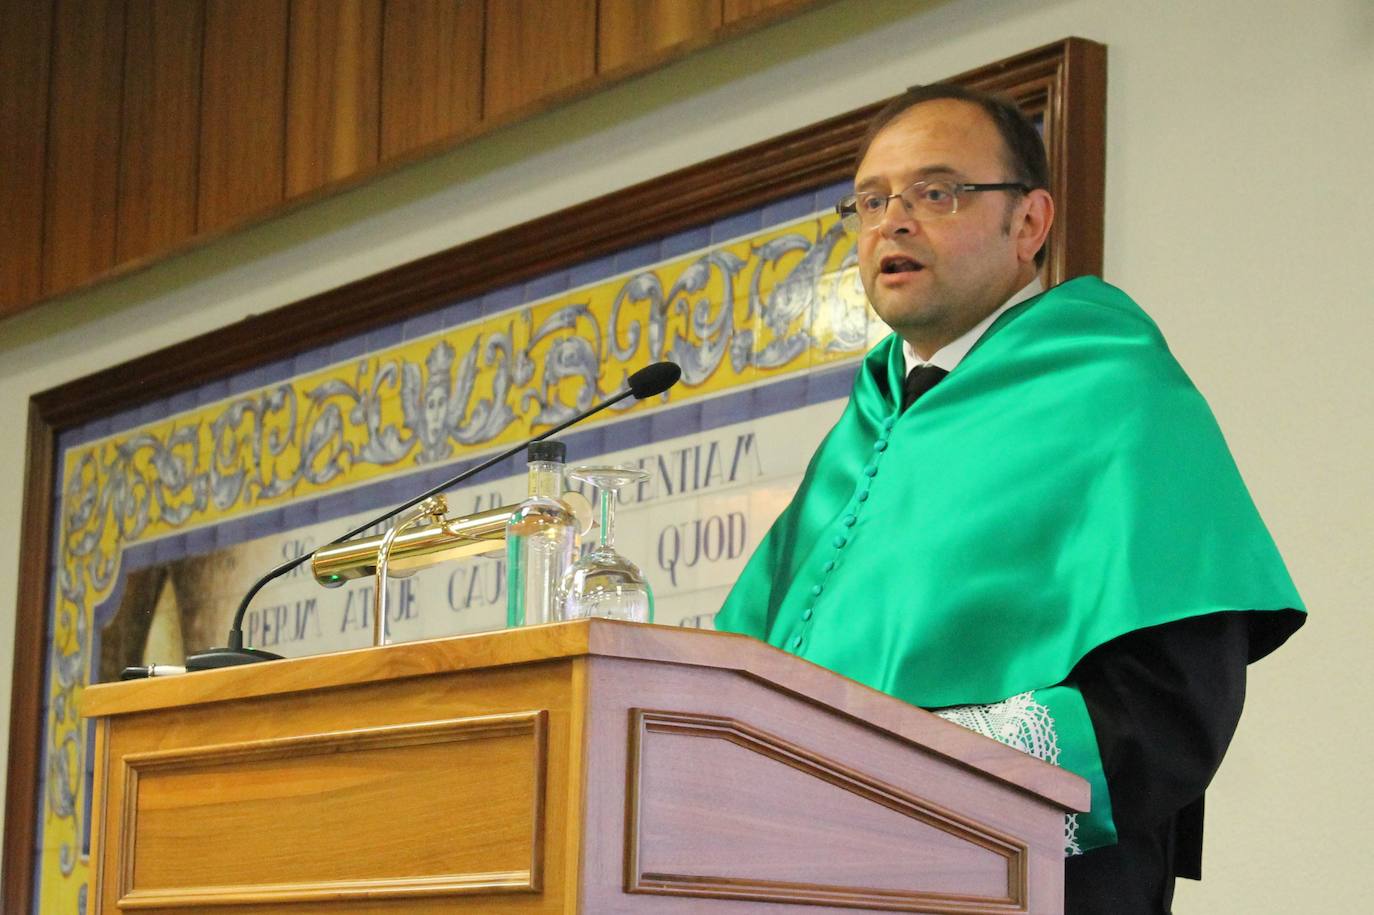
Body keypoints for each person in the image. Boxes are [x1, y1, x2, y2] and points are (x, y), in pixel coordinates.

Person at [713, 84, 1304, 914]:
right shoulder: (871, 423)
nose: (893, 220)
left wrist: (906, 781)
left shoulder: (1111, 384)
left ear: (1029, 223)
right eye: (872, 200)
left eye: (936, 191)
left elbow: (1170, 703)